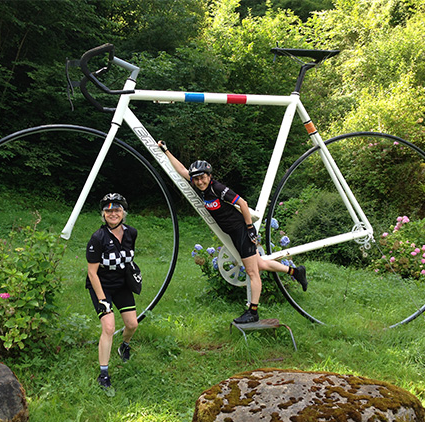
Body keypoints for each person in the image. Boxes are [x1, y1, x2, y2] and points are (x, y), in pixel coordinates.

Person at [157, 140, 308, 324]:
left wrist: (250, 229)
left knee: (252, 272)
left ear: (209, 176)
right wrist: (166, 151)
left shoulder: (217, 188)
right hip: (233, 233)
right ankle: (295, 272)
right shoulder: (200, 185)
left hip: (241, 231)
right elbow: (181, 170)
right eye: (196, 179)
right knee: (259, 263)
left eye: (202, 177)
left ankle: (253, 312)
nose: (199, 181)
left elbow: (242, 203)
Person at [86, 193, 138, 390]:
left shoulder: (131, 233)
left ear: (123, 213)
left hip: (121, 284)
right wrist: (102, 299)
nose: (112, 213)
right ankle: (104, 374)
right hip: (101, 285)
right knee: (108, 327)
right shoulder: (97, 238)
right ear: (103, 214)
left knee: (132, 324)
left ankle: (124, 345)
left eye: (116, 210)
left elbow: (127, 258)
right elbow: (92, 272)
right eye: (108, 210)